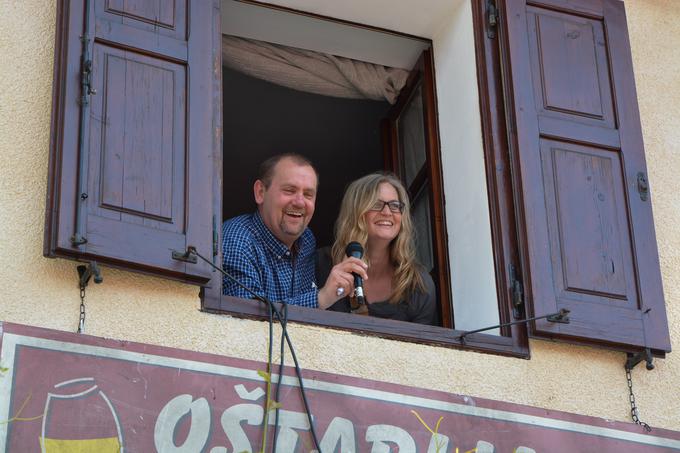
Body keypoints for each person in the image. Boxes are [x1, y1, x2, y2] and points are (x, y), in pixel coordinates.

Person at [222, 153, 368, 309]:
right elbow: (244, 319)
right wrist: (322, 297)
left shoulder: (306, 239)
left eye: (308, 194)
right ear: (260, 192)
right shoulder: (236, 241)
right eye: (289, 190)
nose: (299, 202)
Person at [316, 172, 437, 325]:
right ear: (356, 213)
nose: (387, 212)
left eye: (394, 206)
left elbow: (424, 346)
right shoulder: (321, 264)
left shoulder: (417, 283)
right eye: (376, 204)